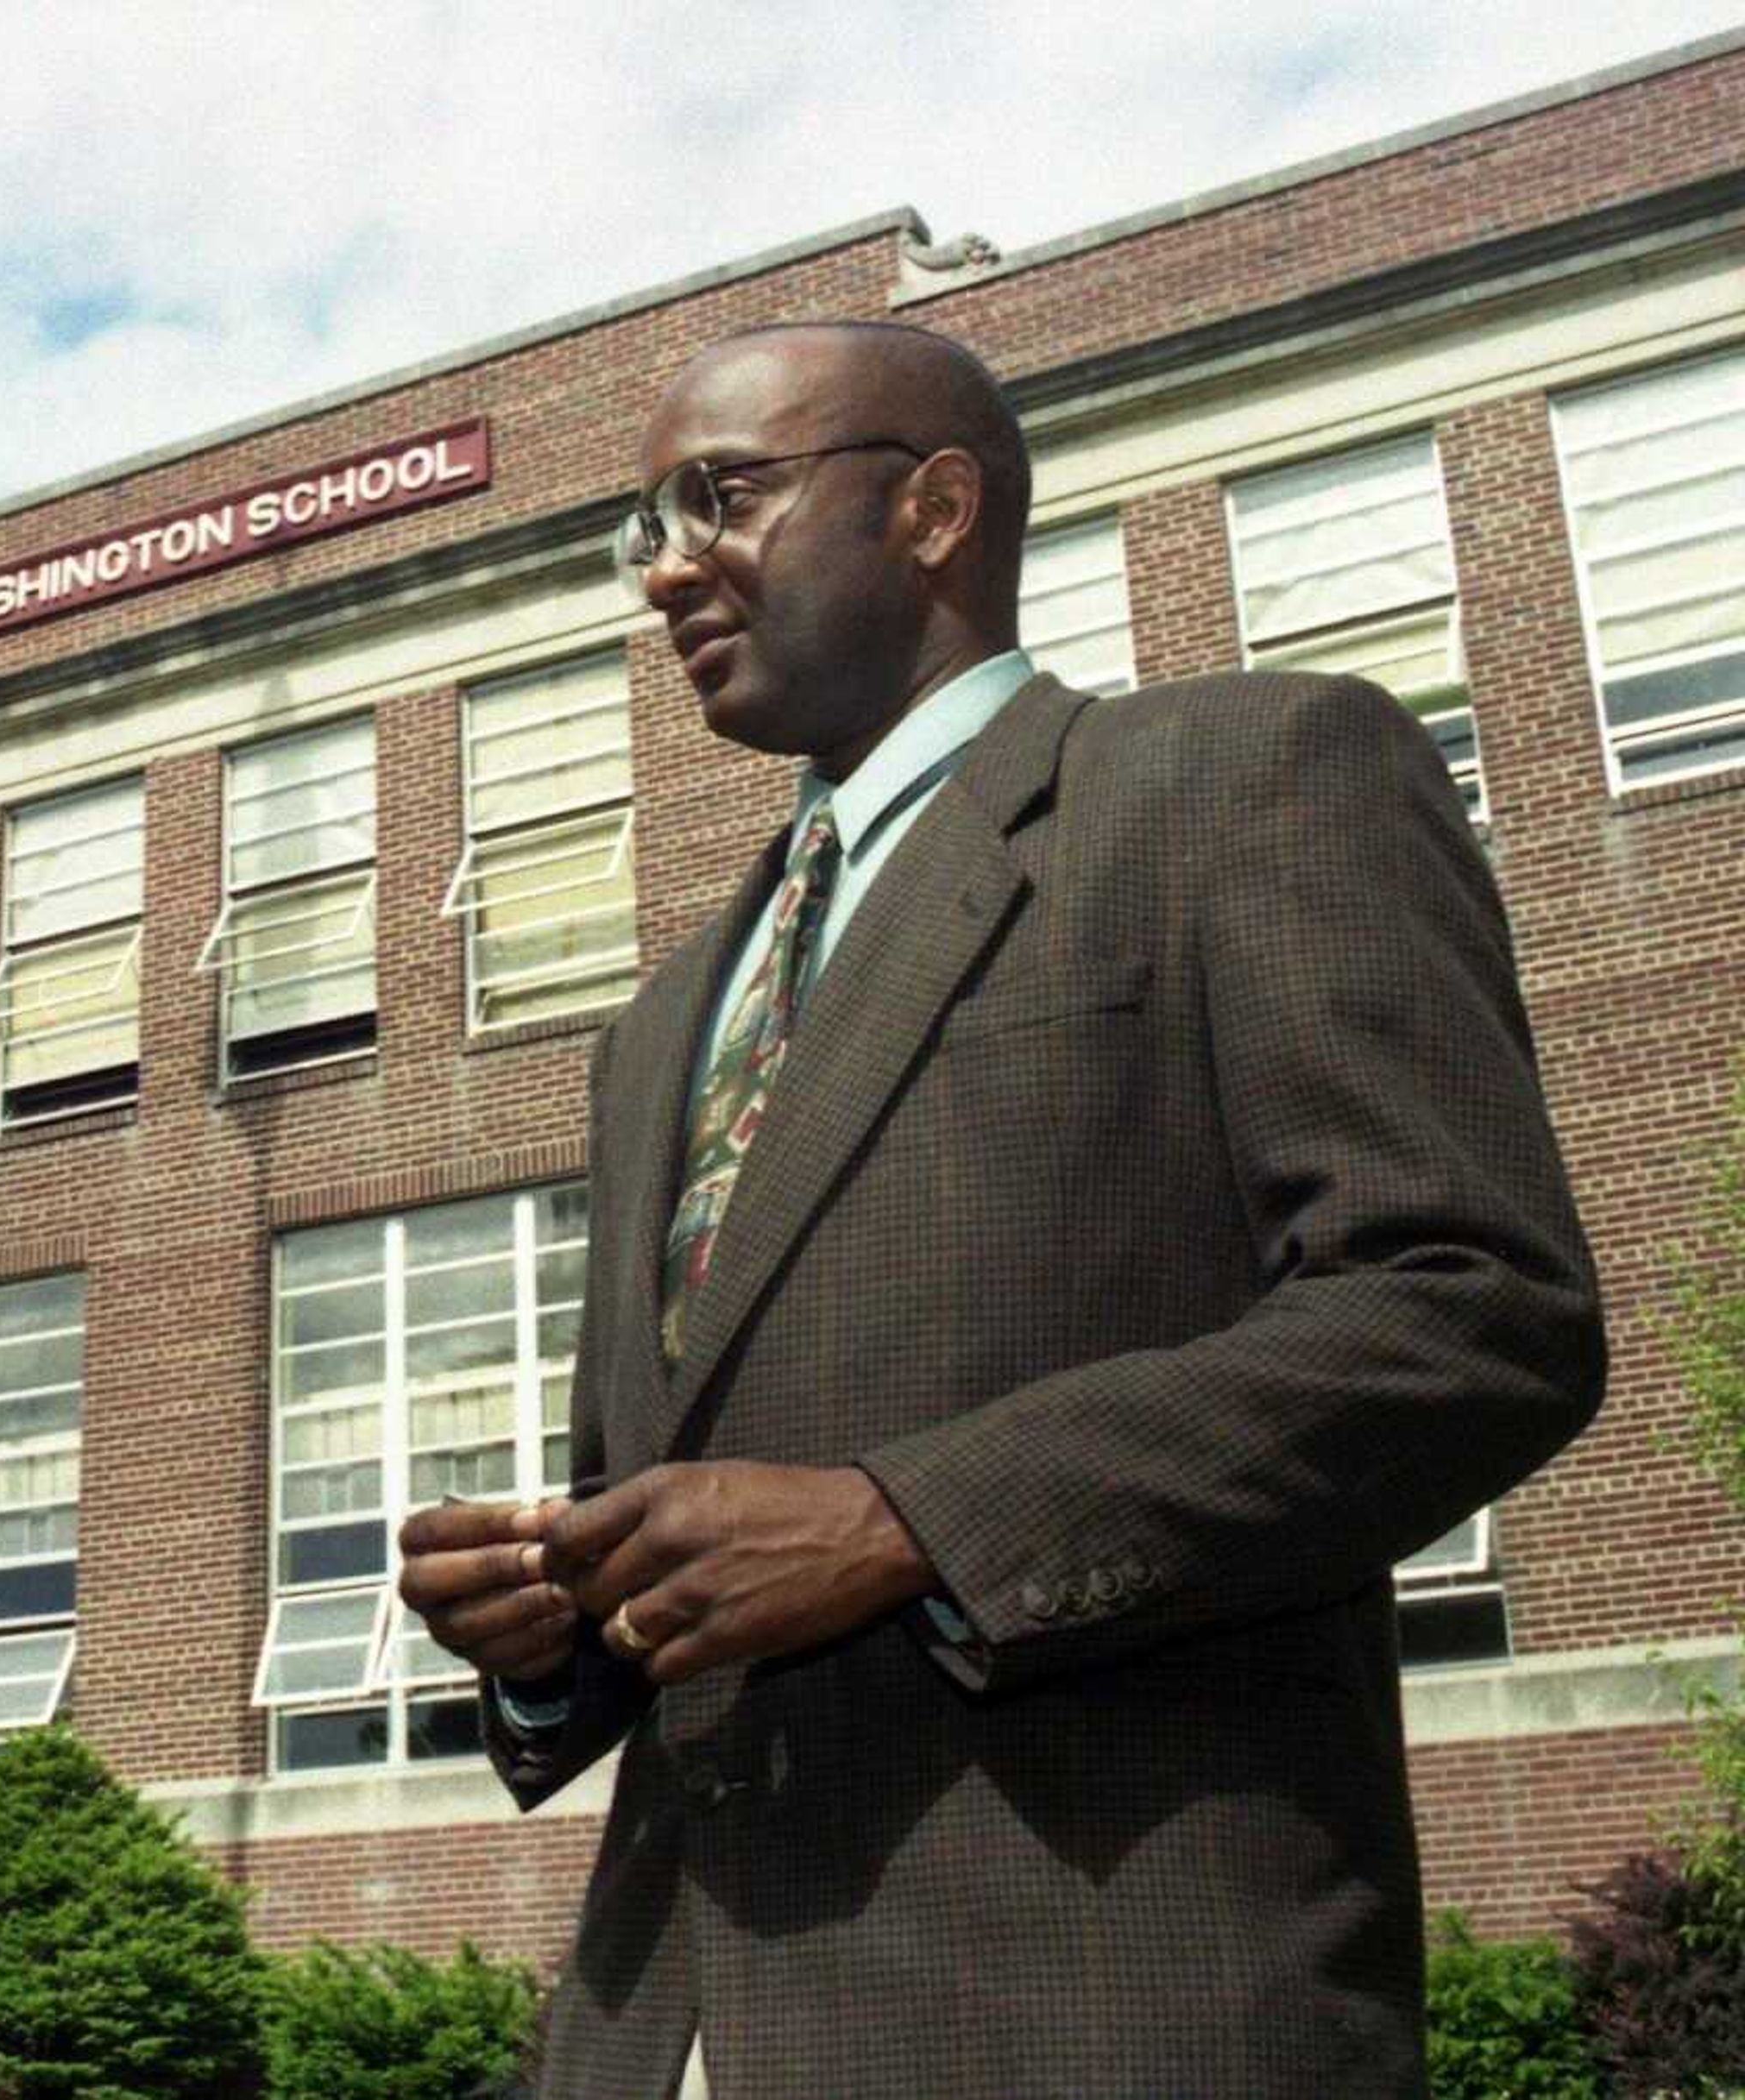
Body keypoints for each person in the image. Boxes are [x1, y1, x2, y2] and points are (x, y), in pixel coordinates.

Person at [396, 323, 1604, 2098]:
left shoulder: (1244, 778)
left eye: (713, 498)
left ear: (936, 507)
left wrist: (912, 1520)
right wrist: (552, 1616)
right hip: (660, 2031)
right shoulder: (664, 1025)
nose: (661, 569)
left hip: (1095, 2013)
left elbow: (1468, 1307)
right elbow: (699, 1501)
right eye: (638, 526)